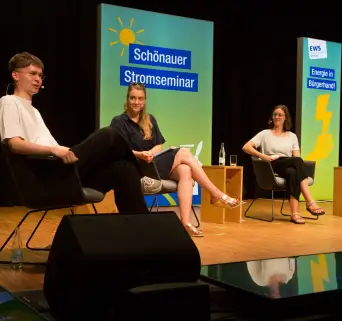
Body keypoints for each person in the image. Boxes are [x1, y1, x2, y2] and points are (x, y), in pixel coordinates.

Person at [0, 52, 150, 214]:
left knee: (124, 168)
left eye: (40, 75)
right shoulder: (9, 101)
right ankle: (145, 177)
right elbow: (14, 144)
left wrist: (59, 149)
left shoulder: (34, 110)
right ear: (15, 75)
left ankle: (140, 229)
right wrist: (54, 150)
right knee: (108, 134)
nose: (38, 79)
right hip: (46, 176)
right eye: (32, 74)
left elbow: (50, 144)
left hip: (62, 171)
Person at [110, 82, 243, 237]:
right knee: (184, 152)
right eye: (133, 98)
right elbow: (119, 150)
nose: (136, 102)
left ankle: (186, 223)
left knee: (185, 170)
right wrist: (140, 154)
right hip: (135, 167)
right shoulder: (119, 121)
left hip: (153, 163)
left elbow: (158, 146)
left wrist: (150, 152)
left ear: (145, 100)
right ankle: (216, 194)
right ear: (127, 99)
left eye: (140, 99)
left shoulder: (149, 119)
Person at [242, 104, 325, 224]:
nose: (277, 117)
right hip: (271, 165)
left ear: (285, 117)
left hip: (286, 164)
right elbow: (246, 147)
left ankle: (295, 214)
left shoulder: (292, 136)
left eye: (280, 114)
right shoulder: (265, 133)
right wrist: (263, 156)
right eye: (275, 114)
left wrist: (298, 168)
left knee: (292, 172)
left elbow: (297, 156)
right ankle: (310, 201)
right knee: (296, 162)